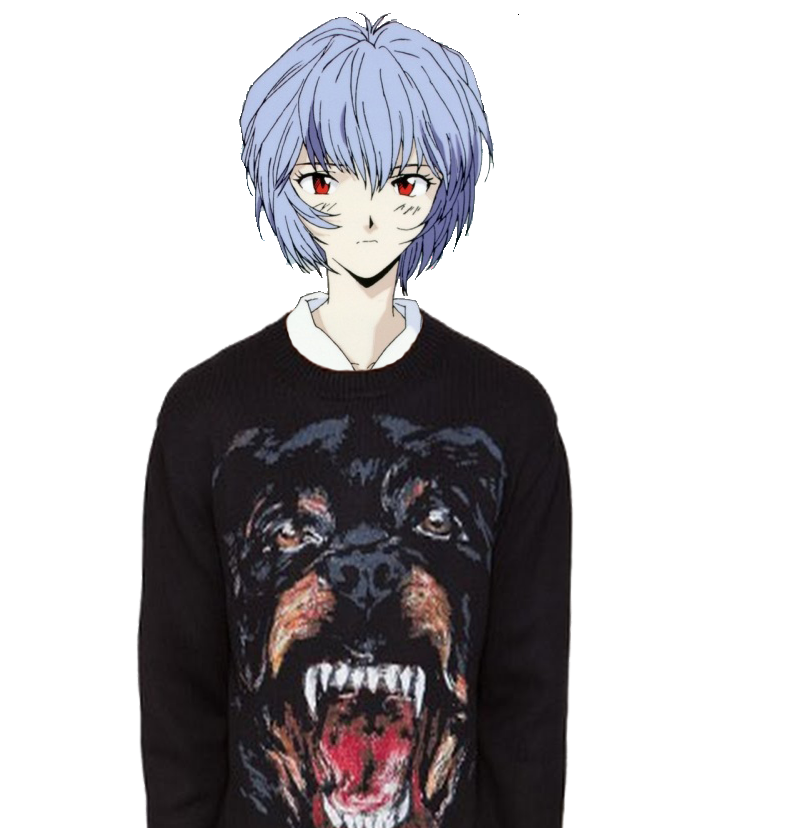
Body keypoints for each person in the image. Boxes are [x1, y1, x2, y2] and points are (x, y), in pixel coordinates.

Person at [138, 14, 573, 828]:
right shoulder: (206, 417)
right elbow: (178, 697)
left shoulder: (509, 417)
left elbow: (529, 704)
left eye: (401, 181)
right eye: (325, 180)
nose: (366, 213)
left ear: (443, 187)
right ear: (287, 184)